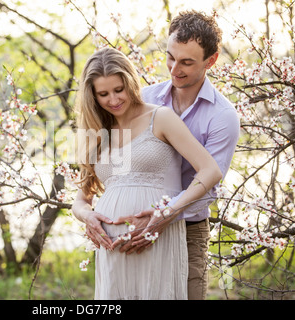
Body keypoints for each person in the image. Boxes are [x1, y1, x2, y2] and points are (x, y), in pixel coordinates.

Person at [71, 46, 222, 300]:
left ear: (130, 82)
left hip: (156, 236)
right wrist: (87, 216)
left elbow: (210, 171)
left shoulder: (160, 117)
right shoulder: (98, 133)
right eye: (103, 94)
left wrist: (168, 212)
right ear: (92, 96)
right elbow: (80, 200)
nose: (114, 99)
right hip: (112, 248)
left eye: (119, 90)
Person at [111, 10, 241, 300]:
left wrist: (164, 215)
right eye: (170, 56)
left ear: (211, 60)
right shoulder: (144, 98)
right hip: (138, 224)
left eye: (186, 62)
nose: (174, 69)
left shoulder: (222, 117)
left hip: (189, 231)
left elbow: (208, 182)